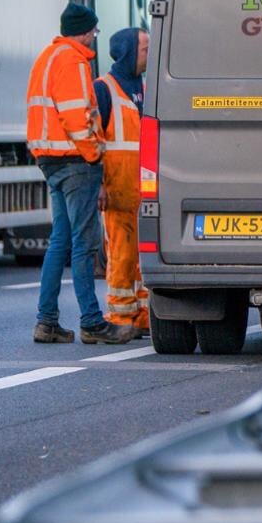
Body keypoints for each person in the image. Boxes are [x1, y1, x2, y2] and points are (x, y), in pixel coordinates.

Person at [26, 3, 139, 345]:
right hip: (76, 162)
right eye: (94, 32)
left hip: (50, 160)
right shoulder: (74, 61)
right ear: (87, 31)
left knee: (59, 241)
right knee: (84, 244)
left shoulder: (46, 56)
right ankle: (92, 322)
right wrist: (95, 156)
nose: (94, 38)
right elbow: (77, 117)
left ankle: (47, 322)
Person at [92, 27, 150, 334]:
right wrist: (99, 184)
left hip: (143, 190)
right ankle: (119, 316)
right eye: (144, 49)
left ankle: (142, 315)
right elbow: (95, 140)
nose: (149, 54)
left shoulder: (144, 86)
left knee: (143, 257)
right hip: (116, 189)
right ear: (128, 51)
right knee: (121, 255)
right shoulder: (105, 88)